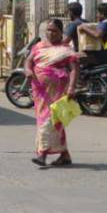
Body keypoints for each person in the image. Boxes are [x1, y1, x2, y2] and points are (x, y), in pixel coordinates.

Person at [25, 18, 78, 167]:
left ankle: (42, 154)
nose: (50, 33)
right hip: (40, 91)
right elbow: (28, 61)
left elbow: (74, 69)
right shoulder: (39, 46)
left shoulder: (66, 49)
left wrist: (71, 87)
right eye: (48, 30)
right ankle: (65, 155)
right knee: (55, 122)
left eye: (54, 30)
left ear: (61, 32)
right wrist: (28, 70)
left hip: (58, 90)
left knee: (47, 120)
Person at [78, 2, 107, 67]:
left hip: (102, 57)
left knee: (75, 58)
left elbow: (97, 35)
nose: (97, 15)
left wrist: (83, 27)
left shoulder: (104, 24)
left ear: (102, 14)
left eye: (98, 13)